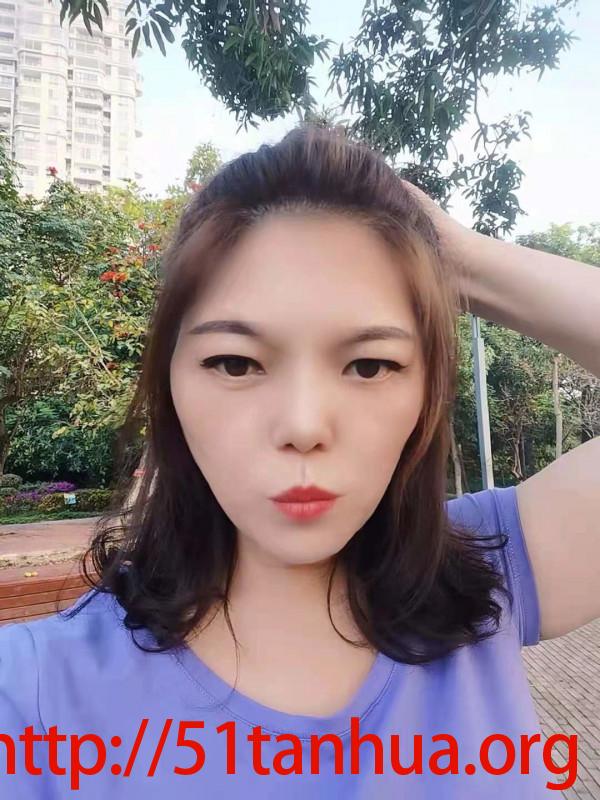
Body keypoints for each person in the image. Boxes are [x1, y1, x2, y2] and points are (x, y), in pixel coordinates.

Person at [0, 124, 598, 799]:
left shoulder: (491, 574)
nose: (304, 426)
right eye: (236, 363)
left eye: (369, 365)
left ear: (427, 390)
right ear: (169, 383)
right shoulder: (32, 698)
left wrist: (462, 264)